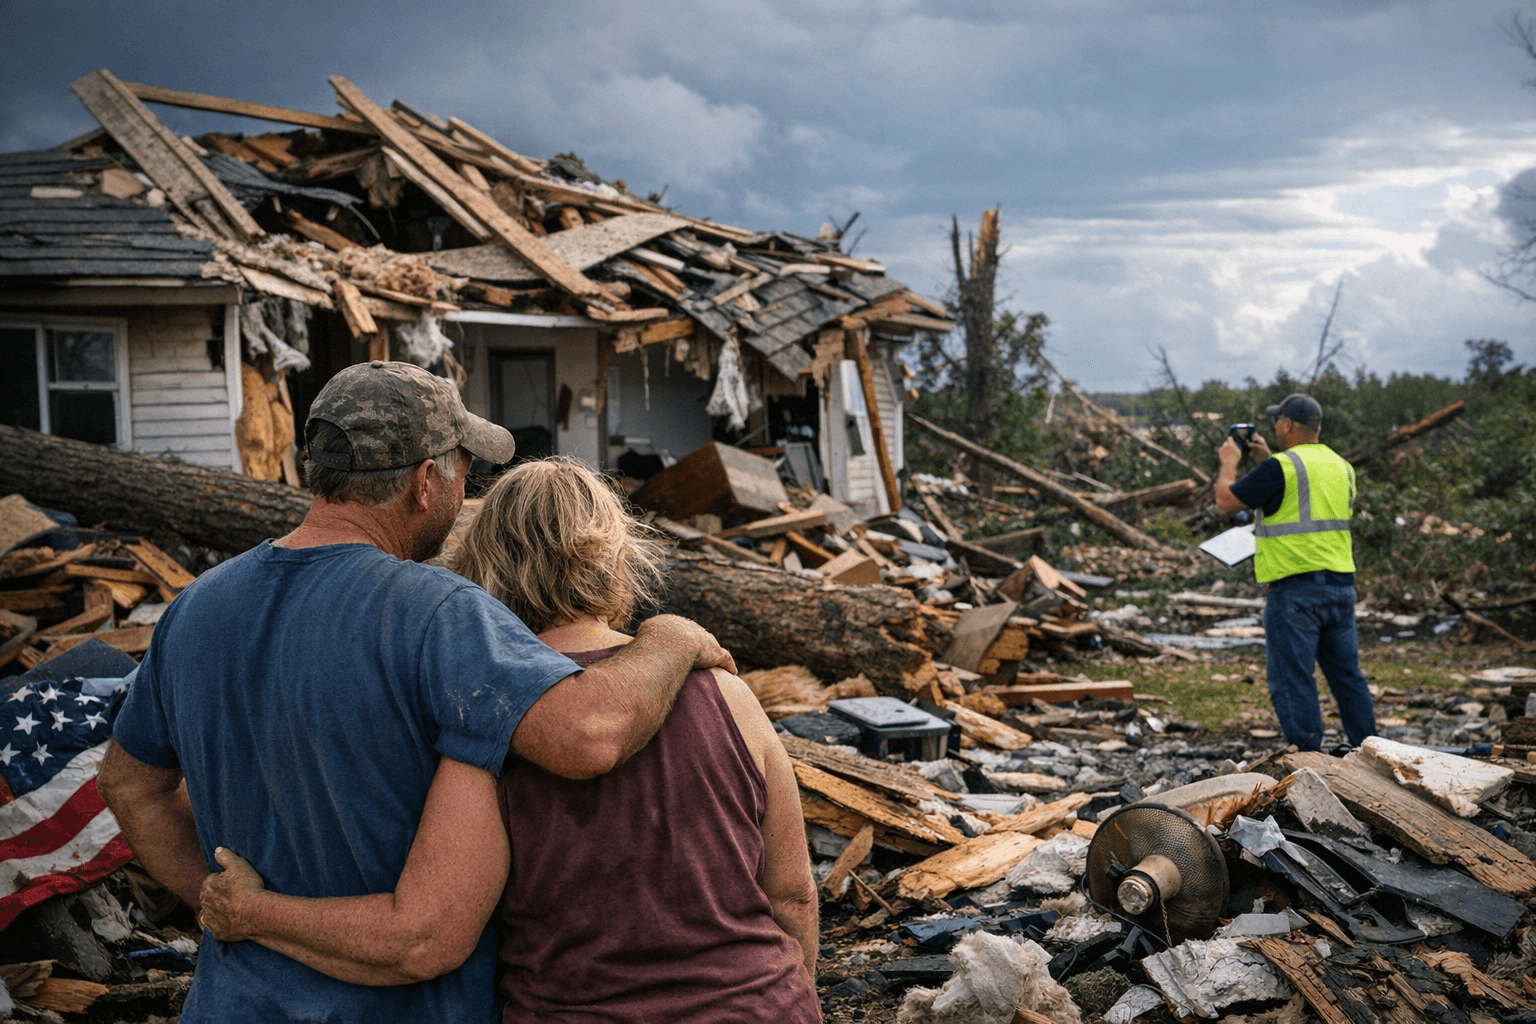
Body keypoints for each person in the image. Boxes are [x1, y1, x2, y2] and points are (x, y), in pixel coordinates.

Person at [97, 361, 735, 1024]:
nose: (465, 494)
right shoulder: (436, 613)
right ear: (426, 482)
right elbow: (590, 735)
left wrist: (221, 898)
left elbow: (126, 784)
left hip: (235, 1005)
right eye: (464, 471)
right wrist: (672, 639)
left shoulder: (196, 608)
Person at [200, 458, 823, 1023]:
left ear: (483, 563)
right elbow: (793, 895)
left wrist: (253, 912)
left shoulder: (491, 722)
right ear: (617, 557)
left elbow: (424, 938)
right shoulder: (729, 694)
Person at [1214, 392, 1376, 752]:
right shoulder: (1341, 467)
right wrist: (1265, 458)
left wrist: (1229, 462)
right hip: (1340, 587)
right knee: (1347, 676)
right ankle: (1370, 750)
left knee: (1293, 678)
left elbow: (1226, 500)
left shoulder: (1280, 469)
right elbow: (1302, 497)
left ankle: (1307, 757)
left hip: (1296, 592)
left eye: (1277, 421)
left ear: (1286, 425)